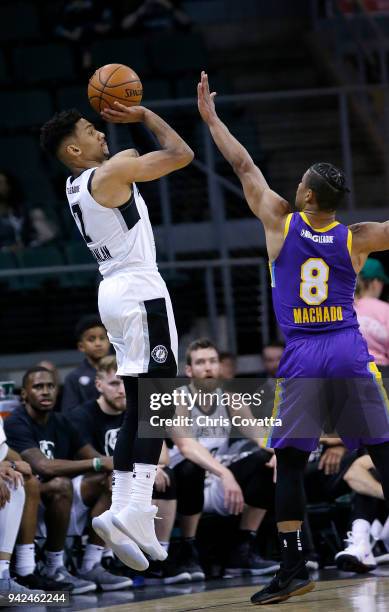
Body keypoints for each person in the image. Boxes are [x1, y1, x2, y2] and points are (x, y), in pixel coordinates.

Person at [198, 70, 389, 605]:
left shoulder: (279, 220)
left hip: (303, 352)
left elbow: (242, 164)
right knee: (384, 452)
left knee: (291, 462)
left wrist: (212, 118)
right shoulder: (357, 238)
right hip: (350, 349)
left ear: (305, 193)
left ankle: (294, 565)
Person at [40, 101, 193, 570]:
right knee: (157, 404)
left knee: (138, 407)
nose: (102, 134)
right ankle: (133, 509)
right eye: (91, 130)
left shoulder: (74, 185)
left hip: (113, 291)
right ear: (73, 147)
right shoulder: (114, 170)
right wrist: (143, 115)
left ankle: (127, 510)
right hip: (140, 289)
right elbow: (181, 153)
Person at [4, 366, 131, 593]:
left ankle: (92, 563)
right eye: (38, 387)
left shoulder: (62, 421)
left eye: (50, 386)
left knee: (113, 480)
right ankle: (52, 566)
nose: (46, 392)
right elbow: (42, 466)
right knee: (60, 484)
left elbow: (94, 457)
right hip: (28, 496)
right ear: (24, 394)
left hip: (59, 497)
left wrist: (108, 466)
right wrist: (99, 463)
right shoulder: (16, 422)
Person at [72, 355, 190, 584]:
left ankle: (120, 511)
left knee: (138, 414)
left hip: (122, 324)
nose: (121, 390)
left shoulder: (126, 409)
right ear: (99, 385)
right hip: (89, 482)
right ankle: (134, 511)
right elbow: (95, 459)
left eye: (121, 383)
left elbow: (163, 454)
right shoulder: (83, 415)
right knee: (159, 404)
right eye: (114, 383)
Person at [168, 338, 278, 580]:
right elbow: (185, 446)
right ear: (189, 370)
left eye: (212, 361)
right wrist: (224, 473)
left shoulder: (231, 400)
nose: (208, 368)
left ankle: (243, 549)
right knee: (190, 467)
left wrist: (277, 454)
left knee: (267, 462)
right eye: (200, 363)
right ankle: (188, 548)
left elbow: (260, 436)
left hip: (221, 485)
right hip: (186, 487)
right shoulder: (178, 399)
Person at [61, 314, 111, 414]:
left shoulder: (123, 371)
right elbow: (69, 414)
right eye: (91, 339)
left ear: (109, 341)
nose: (98, 343)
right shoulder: (73, 378)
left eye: (102, 338)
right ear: (81, 346)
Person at [354, 258, 389, 373]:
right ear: (375, 282)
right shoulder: (385, 310)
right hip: (380, 370)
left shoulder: (348, 307)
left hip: (350, 369)